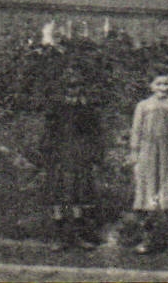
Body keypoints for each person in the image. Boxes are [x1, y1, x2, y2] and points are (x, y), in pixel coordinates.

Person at [39, 67, 107, 250]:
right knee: (57, 195)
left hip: (79, 156)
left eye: (77, 86)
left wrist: (94, 157)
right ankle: (58, 237)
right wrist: (48, 155)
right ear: (63, 89)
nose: (73, 90)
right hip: (59, 156)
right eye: (69, 87)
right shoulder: (55, 109)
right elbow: (48, 133)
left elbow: (95, 135)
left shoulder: (87, 110)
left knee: (79, 195)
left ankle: (78, 235)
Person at [129, 73, 168, 256]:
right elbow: (136, 131)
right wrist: (135, 154)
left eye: (166, 85)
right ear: (151, 86)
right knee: (148, 199)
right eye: (158, 84)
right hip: (148, 155)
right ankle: (146, 241)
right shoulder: (143, 106)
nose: (162, 88)